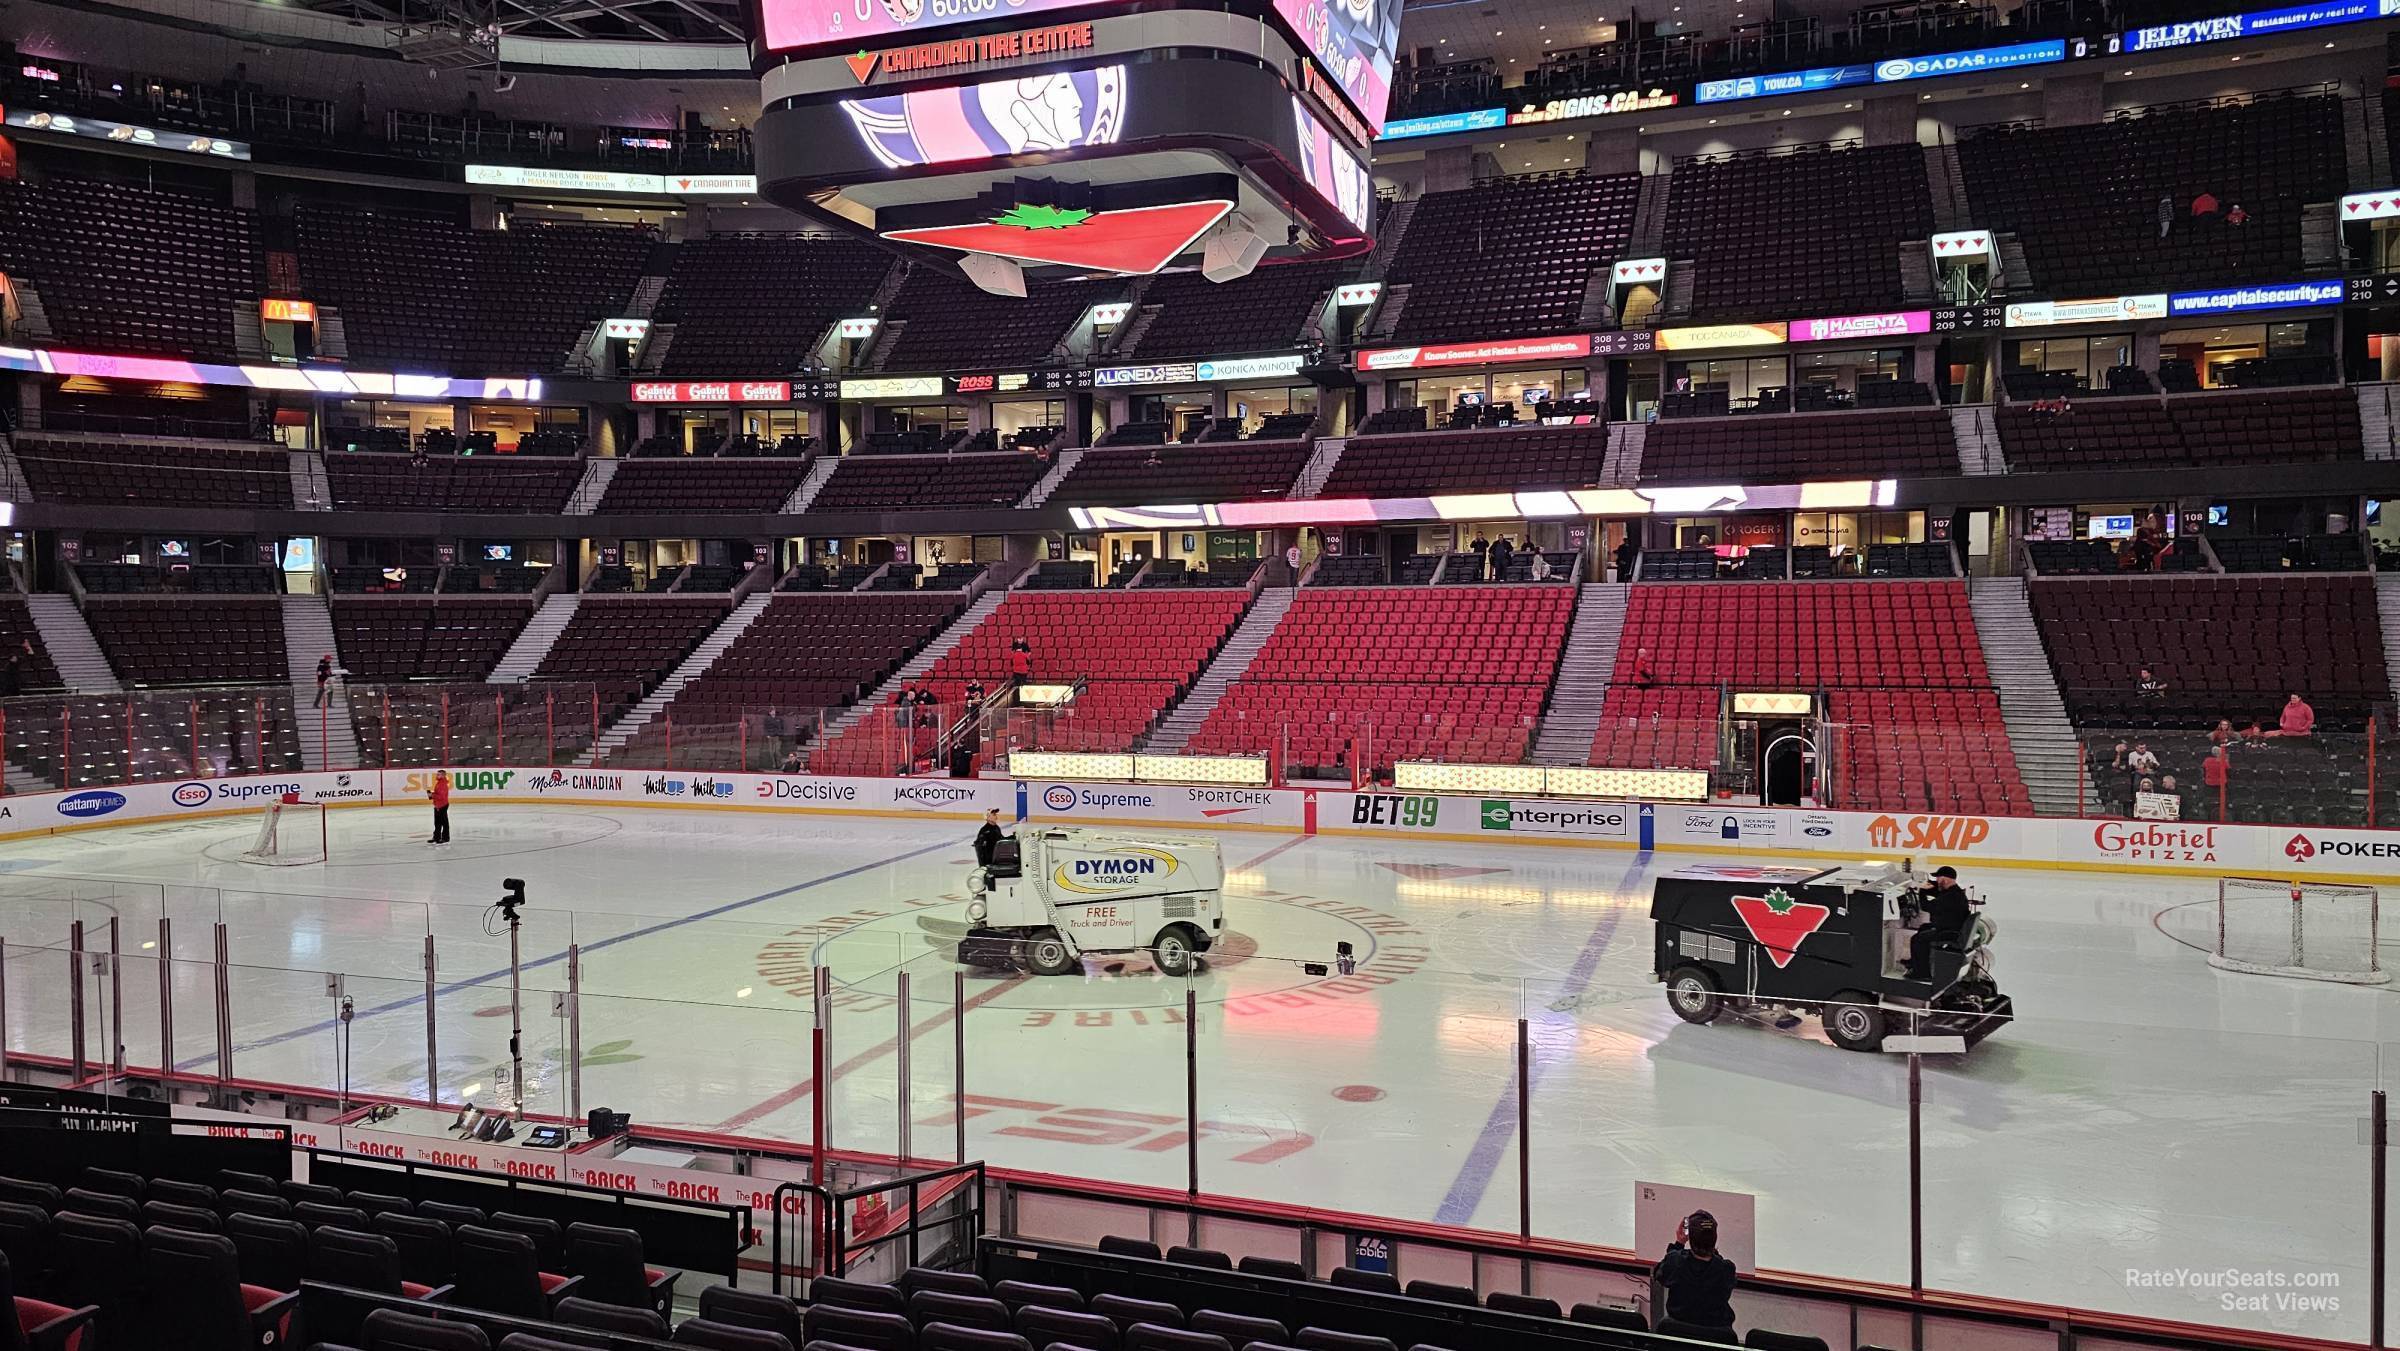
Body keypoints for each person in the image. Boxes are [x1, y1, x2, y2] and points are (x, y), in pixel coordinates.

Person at [1653, 1210, 1737, 1330]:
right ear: (1715, 1239)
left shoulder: (1675, 1261)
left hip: (1678, 1334)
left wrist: (1679, 1243)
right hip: (1715, 1337)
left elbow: (1660, 1274)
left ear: (1690, 1238)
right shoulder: (1726, 1269)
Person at [1905, 865, 1974, 980]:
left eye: (1938, 878)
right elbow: (1937, 891)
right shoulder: (1954, 892)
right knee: (1923, 927)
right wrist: (1926, 883)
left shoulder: (1950, 897)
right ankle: (1914, 963)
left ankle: (1922, 974)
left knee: (1918, 939)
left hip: (1949, 931)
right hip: (1951, 926)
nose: (1936, 881)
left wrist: (1921, 891)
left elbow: (1926, 906)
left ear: (1945, 880)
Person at [2201, 744, 2231, 820]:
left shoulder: (2207, 760)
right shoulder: (2223, 761)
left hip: (2209, 784)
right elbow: (2229, 770)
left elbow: (2203, 768)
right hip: (2221, 785)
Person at [426, 768, 451, 846]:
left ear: (443, 775)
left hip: (442, 805)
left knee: (443, 822)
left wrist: (432, 795)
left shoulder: (442, 784)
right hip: (438, 805)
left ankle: (445, 838)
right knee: (437, 823)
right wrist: (432, 794)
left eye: (439, 774)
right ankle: (437, 837)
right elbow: (438, 794)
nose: (437, 775)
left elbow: (441, 797)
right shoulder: (439, 783)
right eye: (437, 774)